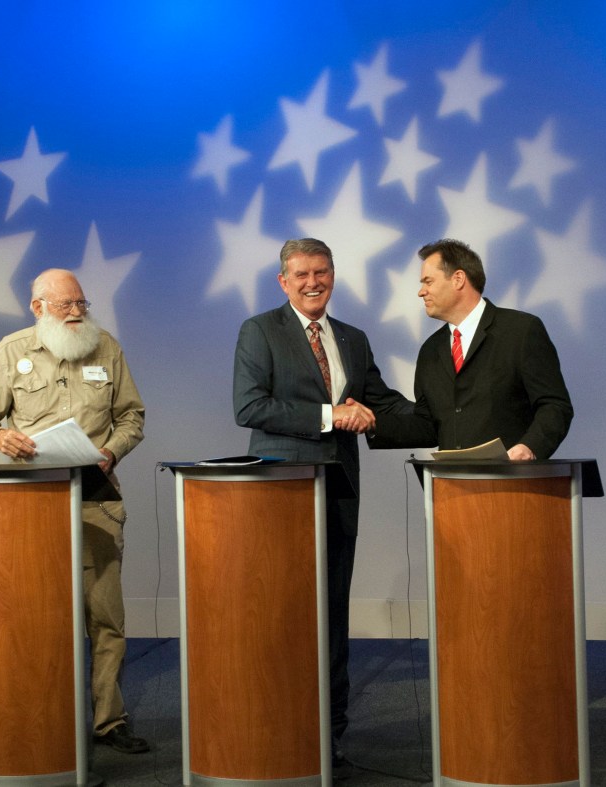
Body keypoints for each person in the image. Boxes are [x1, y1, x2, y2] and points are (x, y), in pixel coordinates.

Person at [232, 238, 413, 775]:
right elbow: (250, 405)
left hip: (338, 491)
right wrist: (330, 415)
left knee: (332, 615)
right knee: (283, 613)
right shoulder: (260, 330)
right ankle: (278, 729)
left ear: (333, 275)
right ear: (283, 281)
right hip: (281, 493)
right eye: (302, 274)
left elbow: (380, 402)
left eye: (322, 272)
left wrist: (452, 421)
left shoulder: (353, 338)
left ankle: (330, 735)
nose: (313, 283)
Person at [0, 268, 149, 754]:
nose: (76, 313)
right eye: (66, 304)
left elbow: (132, 416)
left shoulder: (106, 348)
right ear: (38, 307)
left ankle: (109, 721)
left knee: (105, 618)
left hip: (95, 499)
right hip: (32, 505)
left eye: (81, 303)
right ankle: (42, 717)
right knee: (36, 617)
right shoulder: (12, 351)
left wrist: (111, 450)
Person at [368, 238, 573, 458]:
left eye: (428, 282)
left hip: (512, 476)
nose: (421, 292)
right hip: (453, 479)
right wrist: (371, 423)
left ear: (458, 279)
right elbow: (428, 426)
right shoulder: (430, 350)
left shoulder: (520, 330)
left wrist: (529, 447)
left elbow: (554, 405)